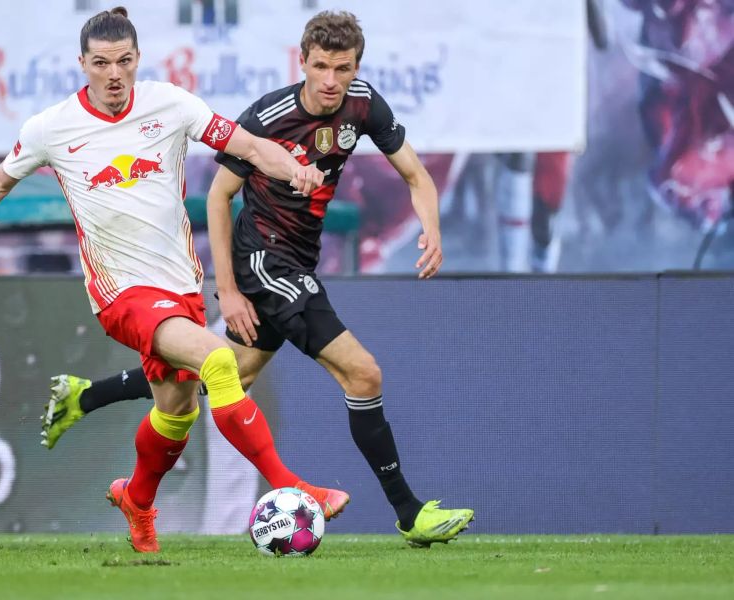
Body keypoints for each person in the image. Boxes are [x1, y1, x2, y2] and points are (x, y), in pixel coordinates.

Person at [0, 6, 349, 553]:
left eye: (124, 61)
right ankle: (294, 488)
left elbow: (249, 146)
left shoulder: (171, 105)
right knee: (220, 363)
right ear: (82, 63)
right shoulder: (52, 127)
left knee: (177, 410)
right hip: (121, 293)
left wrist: (292, 167)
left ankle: (136, 498)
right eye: (101, 63)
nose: (114, 74)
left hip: (178, 284)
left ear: (138, 60)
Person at [42, 10, 474, 547]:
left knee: (207, 386)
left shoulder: (363, 105)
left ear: (356, 66)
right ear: (303, 62)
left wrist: (431, 229)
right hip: (264, 261)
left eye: (342, 68)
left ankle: (90, 401)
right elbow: (220, 195)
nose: (331, 81)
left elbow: (415, 175)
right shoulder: (268, 116)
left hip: (300, 258)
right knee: (364, 375)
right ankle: (410, 513)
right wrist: (227, 287)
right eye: (320, 67)